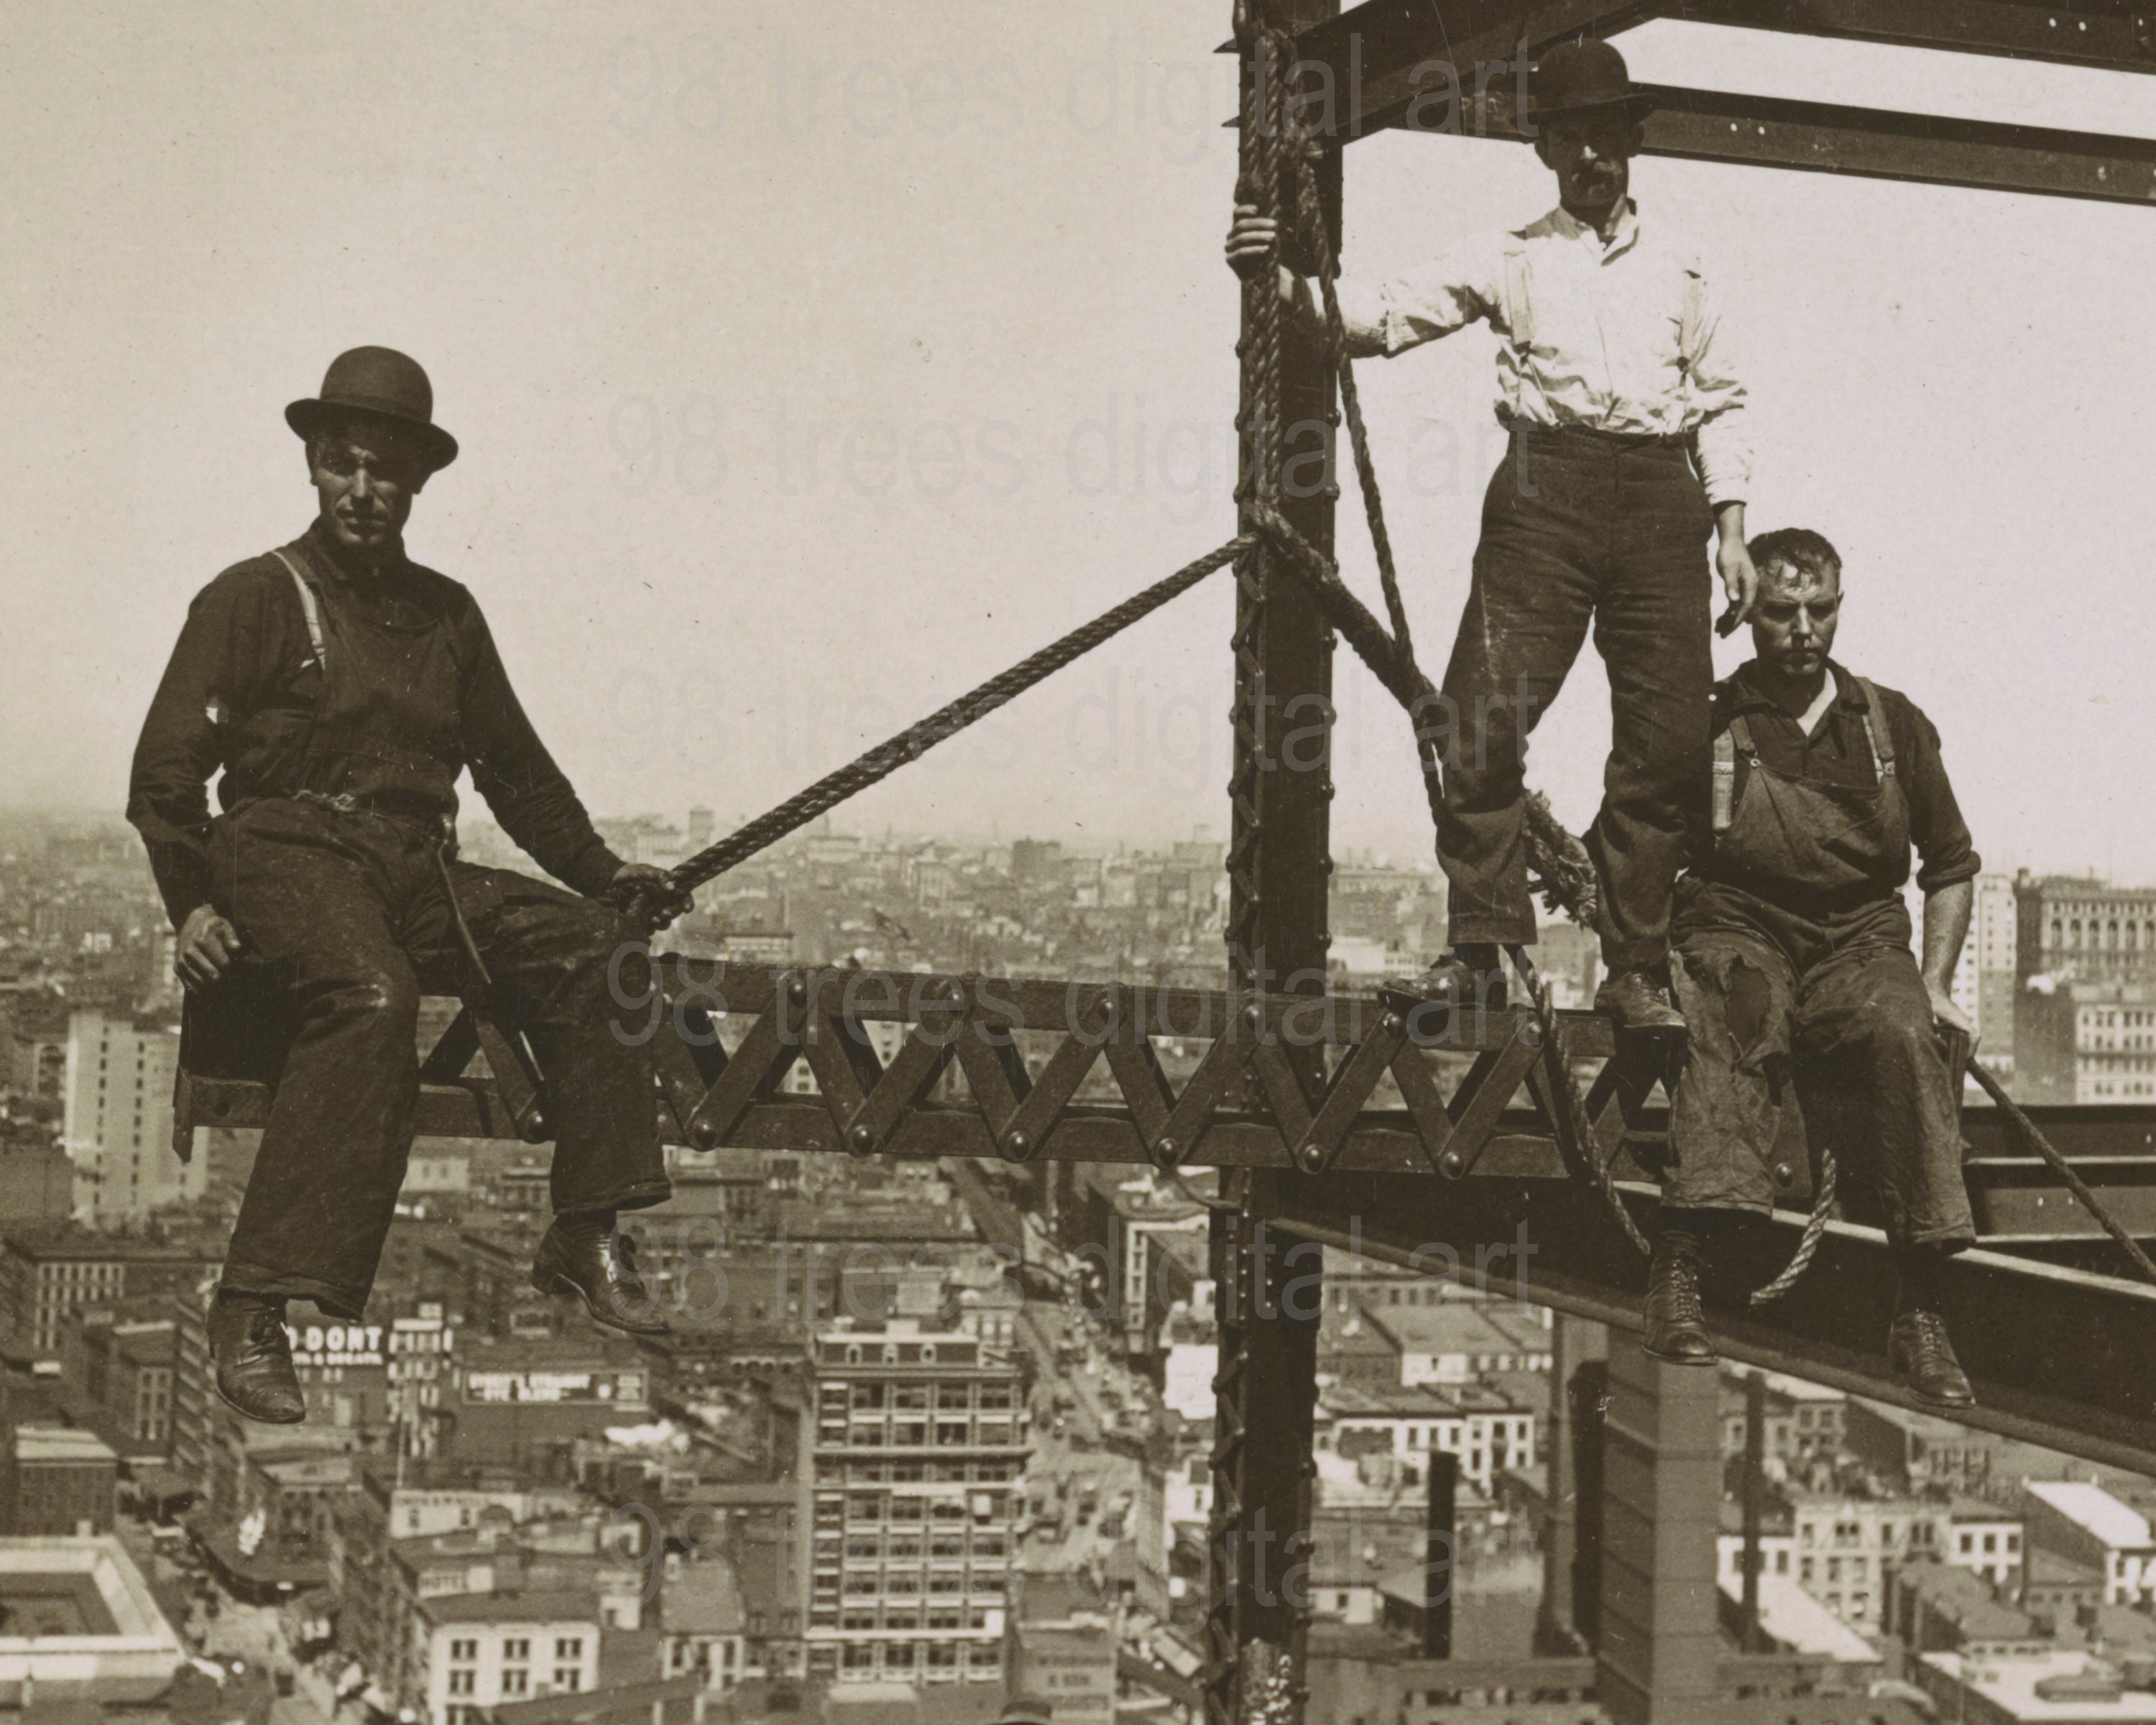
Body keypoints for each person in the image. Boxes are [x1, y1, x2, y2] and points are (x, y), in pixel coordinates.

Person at [128, 346, 692, 1424]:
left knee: (598, 948)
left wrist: (606, 876)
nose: (363, 490)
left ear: (418, 484)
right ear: (312, 464)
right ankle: (252, 1307)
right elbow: (164, 775)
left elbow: (516, 773)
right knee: (372, 994)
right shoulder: (253, 597)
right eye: (343, 464)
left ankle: (586, 1230)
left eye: (386, 471)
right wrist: (190, 903)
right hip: (284, 853)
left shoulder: (447, 616)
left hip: (411, 864)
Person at [1227, 37, 1756, 1029]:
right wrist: (1276, 279)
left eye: (1605, 136)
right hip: (1543, 493)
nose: (1591, 157)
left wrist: (1730, 530)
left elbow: (1722, 401)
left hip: (1659, 498)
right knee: (1478, 718)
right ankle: (1481, 947)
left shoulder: (1686, 269)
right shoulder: (1510, 257)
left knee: (1668, 743)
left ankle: (1635, 967)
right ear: (1546, 150)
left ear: (1628, 143)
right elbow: (1380, 316)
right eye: (1571, 140)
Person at [1645, 528, 1981, 1407]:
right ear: (1747, 611)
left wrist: (1936, 984)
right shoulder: (1710, 720)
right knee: (1734, 1013)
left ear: (1839, 607)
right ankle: (1680, 1267)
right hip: (1740, 922)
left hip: (1859, 941)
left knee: (1905, 1034)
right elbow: (1647, 845)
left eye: (1819, 610)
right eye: (1781, 611)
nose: (1802, 629)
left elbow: (1950, 867)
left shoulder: (1890, 723)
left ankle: (1920, 1312)